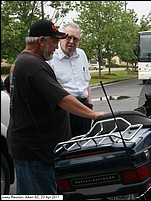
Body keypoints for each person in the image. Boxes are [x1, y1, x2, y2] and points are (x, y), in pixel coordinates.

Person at [7, 19, 107, 195]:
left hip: (30, 148)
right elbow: (62, 98)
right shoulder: (34, 66)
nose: (55, 46)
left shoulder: (22, 62)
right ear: (42, 41)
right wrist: (94, 115)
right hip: (35, 152)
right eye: (54, 41)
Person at [47, 22, 93, 137]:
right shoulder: (51, 58)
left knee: (86, 144)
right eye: (68, 37)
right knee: (67, 147)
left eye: (75, 39)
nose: (71, 41)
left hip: (84, 107)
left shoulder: (82, 54)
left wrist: (90, 103)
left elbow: (86, 81)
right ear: (62, 37)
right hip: (64, 110)